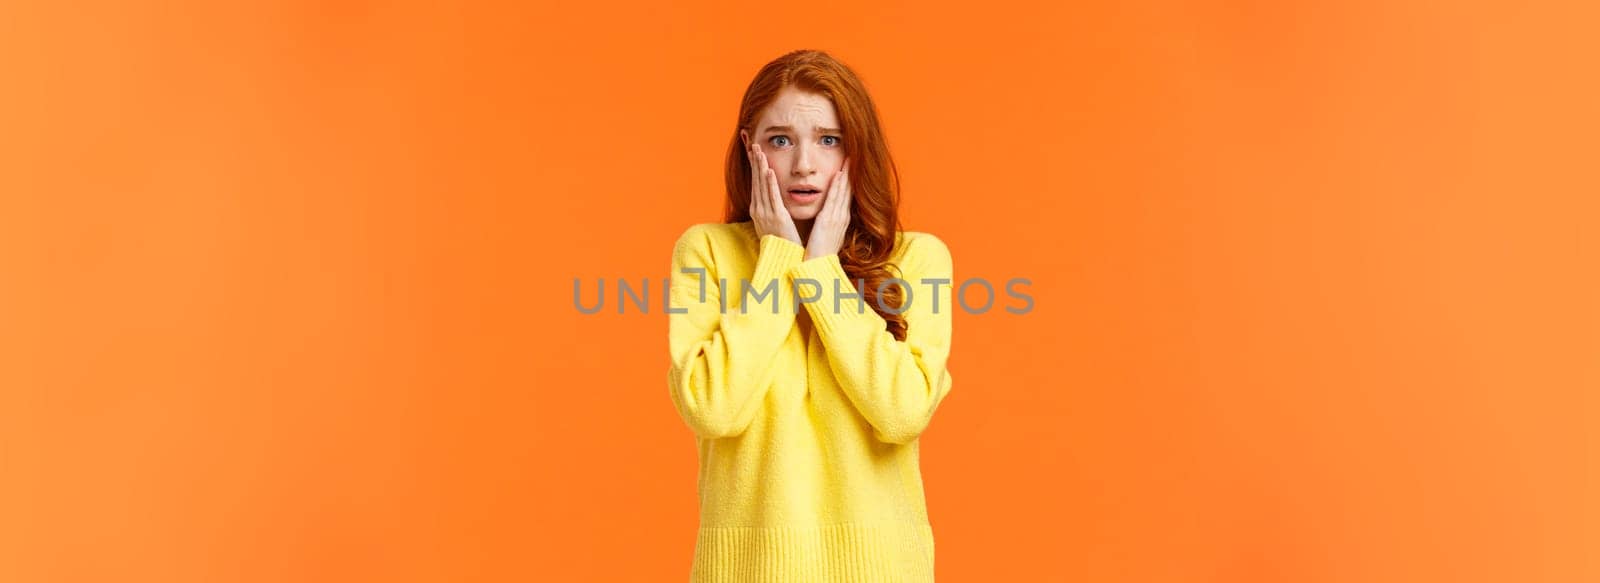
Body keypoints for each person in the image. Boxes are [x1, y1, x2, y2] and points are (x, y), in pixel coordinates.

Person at [666, 49, 955, 582]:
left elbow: (902, 414)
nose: (804, 164)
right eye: (780, 139)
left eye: (829, 139)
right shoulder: (706, 251)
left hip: (883, 569)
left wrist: (822, 271)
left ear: (857, 149)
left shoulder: (917, 259)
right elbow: (711, 408)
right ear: (750, 149)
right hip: (745, 570)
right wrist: (779, 260)